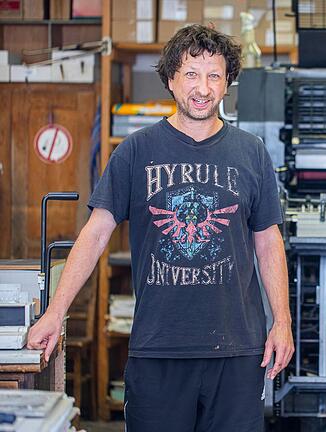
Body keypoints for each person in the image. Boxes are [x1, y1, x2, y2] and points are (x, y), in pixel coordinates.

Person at [27, 24, 293, 431]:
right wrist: (53, 313)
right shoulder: (136, 151)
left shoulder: (251, 153)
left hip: (238, 350)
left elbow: (268, 241)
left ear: (227, 84)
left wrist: (282, 320)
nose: (202, 87)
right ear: (171, 79)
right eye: (191, 74)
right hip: (158, 349)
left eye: (214, 75)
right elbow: (96, 233)